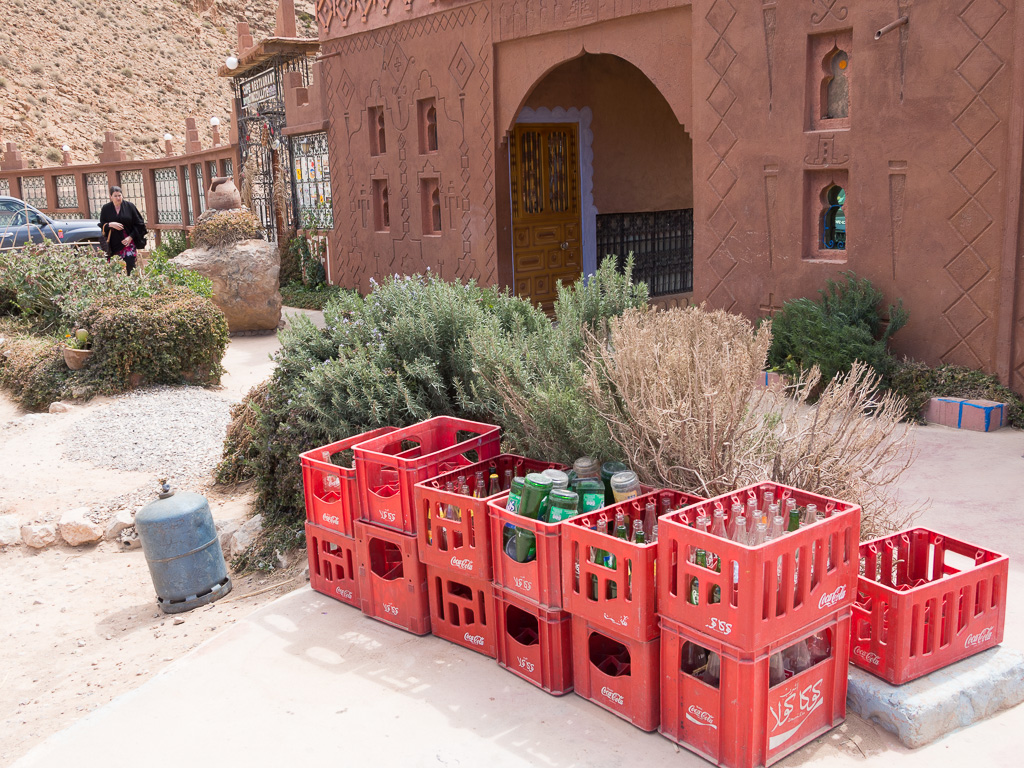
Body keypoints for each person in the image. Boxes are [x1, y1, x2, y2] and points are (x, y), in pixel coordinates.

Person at [99, 186, 147, 276]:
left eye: (120, 195)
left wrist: (130, 237)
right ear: (110, 196)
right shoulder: (106, 208)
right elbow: (102, 225)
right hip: (114, 244)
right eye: (115, 196)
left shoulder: (129, 206)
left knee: (130, 266)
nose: (118, 198)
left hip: (128, 243)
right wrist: (110, 225)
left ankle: (132, 285)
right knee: (116, 268)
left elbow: (139, 224)